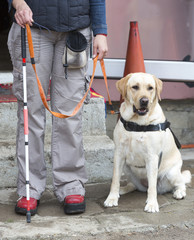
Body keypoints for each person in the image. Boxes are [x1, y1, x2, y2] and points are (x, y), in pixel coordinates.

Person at [7, 0, 108, 215]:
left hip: (75, 32)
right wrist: (18, 3)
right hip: (32, 27)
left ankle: (71, 184)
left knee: (69, 113)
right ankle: (30, 187)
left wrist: (101, 31)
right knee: (30, 110)